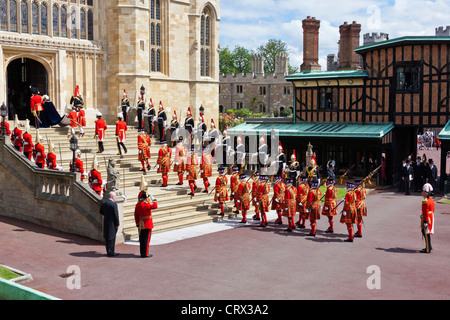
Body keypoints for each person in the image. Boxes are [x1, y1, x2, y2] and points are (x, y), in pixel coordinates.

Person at [134, 189, 158, 258]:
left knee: (142, 240)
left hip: (141, 224)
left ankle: (142, 253)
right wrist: (154, 200)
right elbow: (155, 206)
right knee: (146, 240)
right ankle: (145, 254)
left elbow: (135, 215)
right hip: (147, 224)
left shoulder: (138, 205)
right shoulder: (145, 205)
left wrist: (137, 223)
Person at [99, 191, 120, 257]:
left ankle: (108, 251)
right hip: (112, 222)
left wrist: (106, 215)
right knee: (112, 237)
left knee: (107, 237)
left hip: (106, 221)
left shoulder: (104, 203)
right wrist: (117, 223)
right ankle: (111, 252)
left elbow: (101, 211)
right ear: (113, 197)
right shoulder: (114, 204)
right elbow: (116, 215)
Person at [420, 183, 435, 253]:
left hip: (427, 218)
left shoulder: (425, 201)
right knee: (426, 232)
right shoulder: (431, 200)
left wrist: (425, 221)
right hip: (431, 217)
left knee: (426, 233)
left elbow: (426, 212)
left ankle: (428, 249)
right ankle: (429, 246)